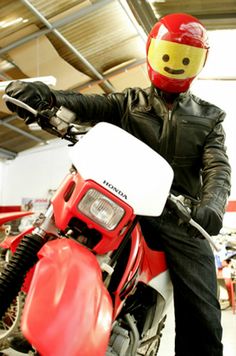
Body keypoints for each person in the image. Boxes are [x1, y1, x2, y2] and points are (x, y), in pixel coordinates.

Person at [5, 13, 231, 356]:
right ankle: (32, 322)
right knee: (47, 233)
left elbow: (218, 166)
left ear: (200, 63)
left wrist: (211, 205)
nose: (174, 66)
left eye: (186, 59)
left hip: (176, 214)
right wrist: (47, 98)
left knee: (202, 305)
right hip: (119, 199)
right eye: (167, 55)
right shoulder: (127, 102)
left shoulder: (210, 116)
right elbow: (85, 104)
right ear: (152, 52)